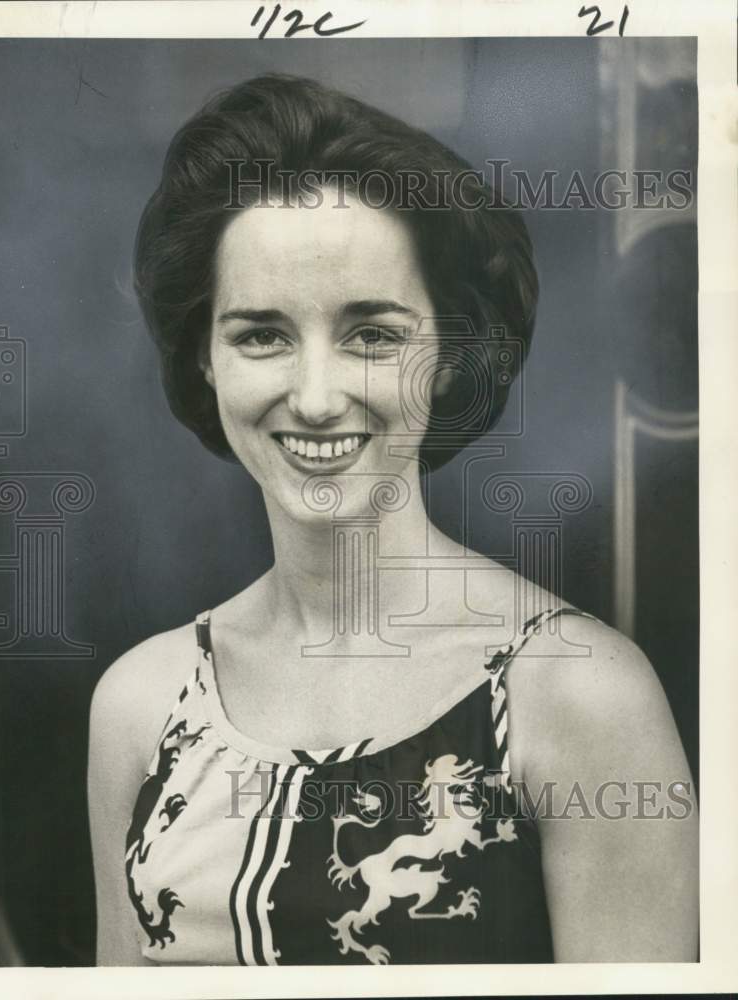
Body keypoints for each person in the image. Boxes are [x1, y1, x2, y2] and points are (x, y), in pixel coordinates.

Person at [87, 74, 697, 966]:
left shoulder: (578, 695)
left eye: (372, 335)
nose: (318, 396)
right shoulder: (140, 705)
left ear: (450, 355)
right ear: (205, 360)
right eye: (261, 334)